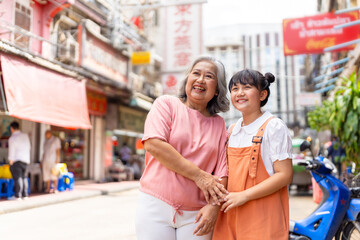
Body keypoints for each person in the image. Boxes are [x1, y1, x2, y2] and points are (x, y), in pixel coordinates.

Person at [136, 56, 230, 240]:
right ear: (187, 80)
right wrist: (200, 176)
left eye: (209, 76)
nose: (201, 80)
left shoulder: (219, 124)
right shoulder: (166, 104)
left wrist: (213, 207)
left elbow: (222, 170)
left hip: (198, 214)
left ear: (217, 90)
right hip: (155, 204)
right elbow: (154, 144)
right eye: (196, 73)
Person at [213, 69, 293, 240]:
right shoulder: (232, 130)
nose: (239, 93)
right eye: (235, 89)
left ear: (262, 94)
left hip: (262, 218)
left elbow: (285, 175)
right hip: (230, 214)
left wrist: (244, 196)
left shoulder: (274, 127)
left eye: (247, 87)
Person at [8, 121, 31, 200]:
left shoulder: (13, 138)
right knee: (24, 177)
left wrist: (11, 161)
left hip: (17, 160)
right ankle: (25, 195)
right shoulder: (25, 136)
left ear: (11, 128)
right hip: (25, 160)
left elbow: (12, 150)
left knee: (18, 178)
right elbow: (29, 147)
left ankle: (18, 195)